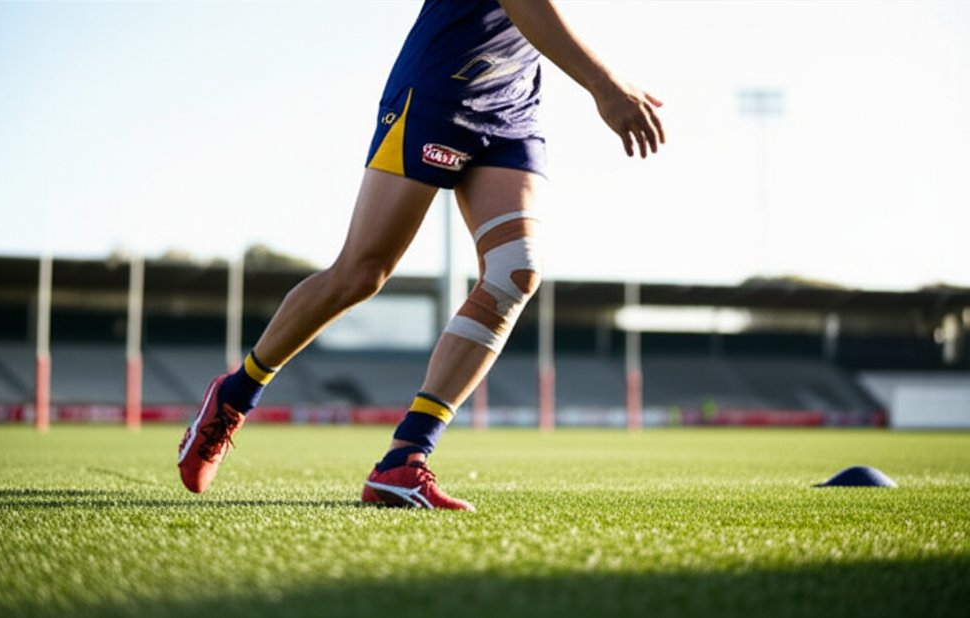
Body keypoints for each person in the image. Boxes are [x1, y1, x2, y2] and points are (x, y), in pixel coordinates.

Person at [177, 0, 664, 510]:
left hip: (512, 102)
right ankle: (235, 394)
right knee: (361, 273)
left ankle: (403, 459)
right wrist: (605, 85)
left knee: (514, 273)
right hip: (441, 87)